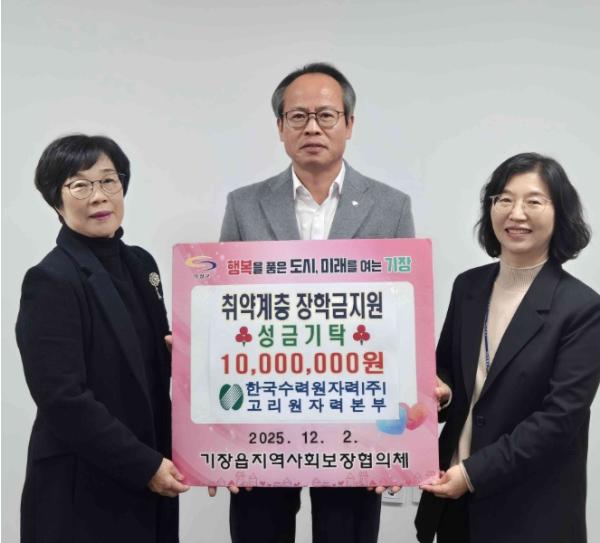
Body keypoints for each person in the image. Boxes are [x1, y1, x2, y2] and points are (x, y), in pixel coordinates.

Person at [218, 62, 414, 543]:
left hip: (356, 420)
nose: (312, 128)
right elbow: (223, 313)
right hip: (263, 416)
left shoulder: (391, 206)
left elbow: (403, 319)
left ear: (349, 123)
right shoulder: (244, 205)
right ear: (280, 127)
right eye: (298, 116)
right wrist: (218, 442)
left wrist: (400, 444)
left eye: (326, 115)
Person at [415, 152, 600, 543]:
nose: (516, 213)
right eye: (504, 199)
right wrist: (443, 393)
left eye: (534, 201)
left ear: (560, 213)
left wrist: (472, 474)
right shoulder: (468, 286)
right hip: (453, 502)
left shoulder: (582, 308)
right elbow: (446, 372)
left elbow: (560, 419)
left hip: (529, 513)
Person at [16, 134, 189, 543]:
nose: (99, 196)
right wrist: (144, 465)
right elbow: (63, 399)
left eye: (109, 180)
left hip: (152, 476)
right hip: (83, 489)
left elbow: (150, 367)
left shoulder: (141, 263)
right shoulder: (50, 279)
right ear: (56, 201)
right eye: (80, 184)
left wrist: (190, 358)